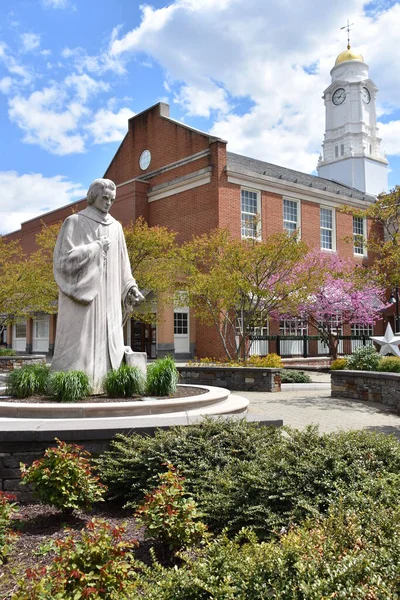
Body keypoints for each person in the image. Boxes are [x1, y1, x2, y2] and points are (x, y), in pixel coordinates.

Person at [51, 178, 144, 393]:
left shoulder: (117, 228)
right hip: (86, 301)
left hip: (111, 300)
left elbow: (124, 266)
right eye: (105, 198)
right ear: (93, 196)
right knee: (81, 346)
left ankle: (109, 386)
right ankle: (74, 386)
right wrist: (96, 248)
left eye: (112, 199)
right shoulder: (74, 222)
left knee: (110, 347)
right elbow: (63, 260)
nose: (109, 202)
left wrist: (131, 288)